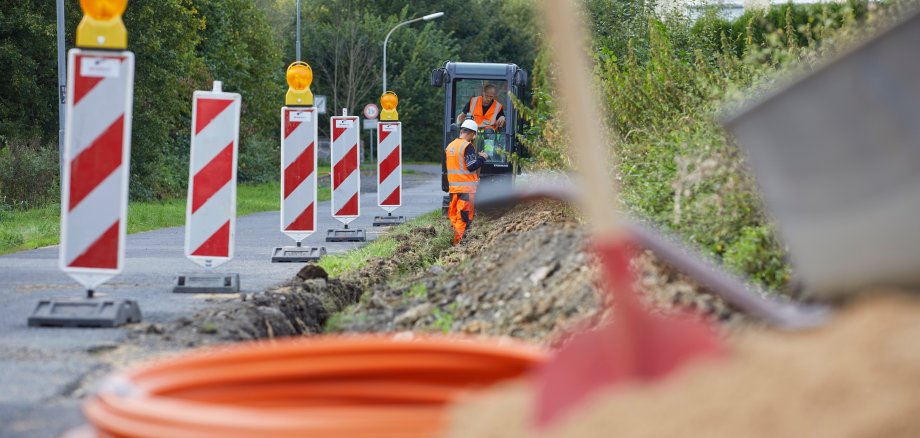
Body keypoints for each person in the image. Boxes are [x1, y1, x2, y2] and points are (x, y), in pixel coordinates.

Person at [446, 119, 488, 245]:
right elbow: (471, 166)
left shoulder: (450, 146)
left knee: (454, 215)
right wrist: (482, 158)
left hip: (454, 189)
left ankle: (456, 240)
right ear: (472, 133)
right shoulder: (467, 146)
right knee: (463, 217)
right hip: (466, 190)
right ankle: (459, 244)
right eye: (474, 135)